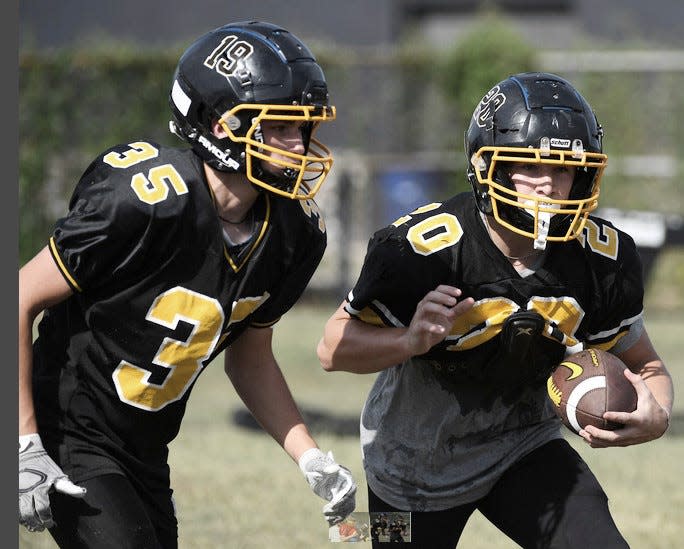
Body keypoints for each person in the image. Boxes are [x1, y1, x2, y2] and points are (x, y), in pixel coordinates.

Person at [19, 20, 357, 547]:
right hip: (68, 428)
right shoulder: (144, 199)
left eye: (305, 128)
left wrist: (308, 454)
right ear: (222, 126)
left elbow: (250, 356)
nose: (300, 144)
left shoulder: (293, 234)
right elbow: (18, 298)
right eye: (282, 127)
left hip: (146, 448)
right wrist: (22, 440)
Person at [317, 72, 673, 548]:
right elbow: (330, 349)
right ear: (490, 167)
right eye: (532, 166)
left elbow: (647, 365)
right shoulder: (421, 249)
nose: (549, 186)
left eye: (565, 169)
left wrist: (659, 413)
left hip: (522, 445)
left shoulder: (602, 258)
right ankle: (352, 531)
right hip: (415, 462)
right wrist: (409, 340)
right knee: (366, 536)